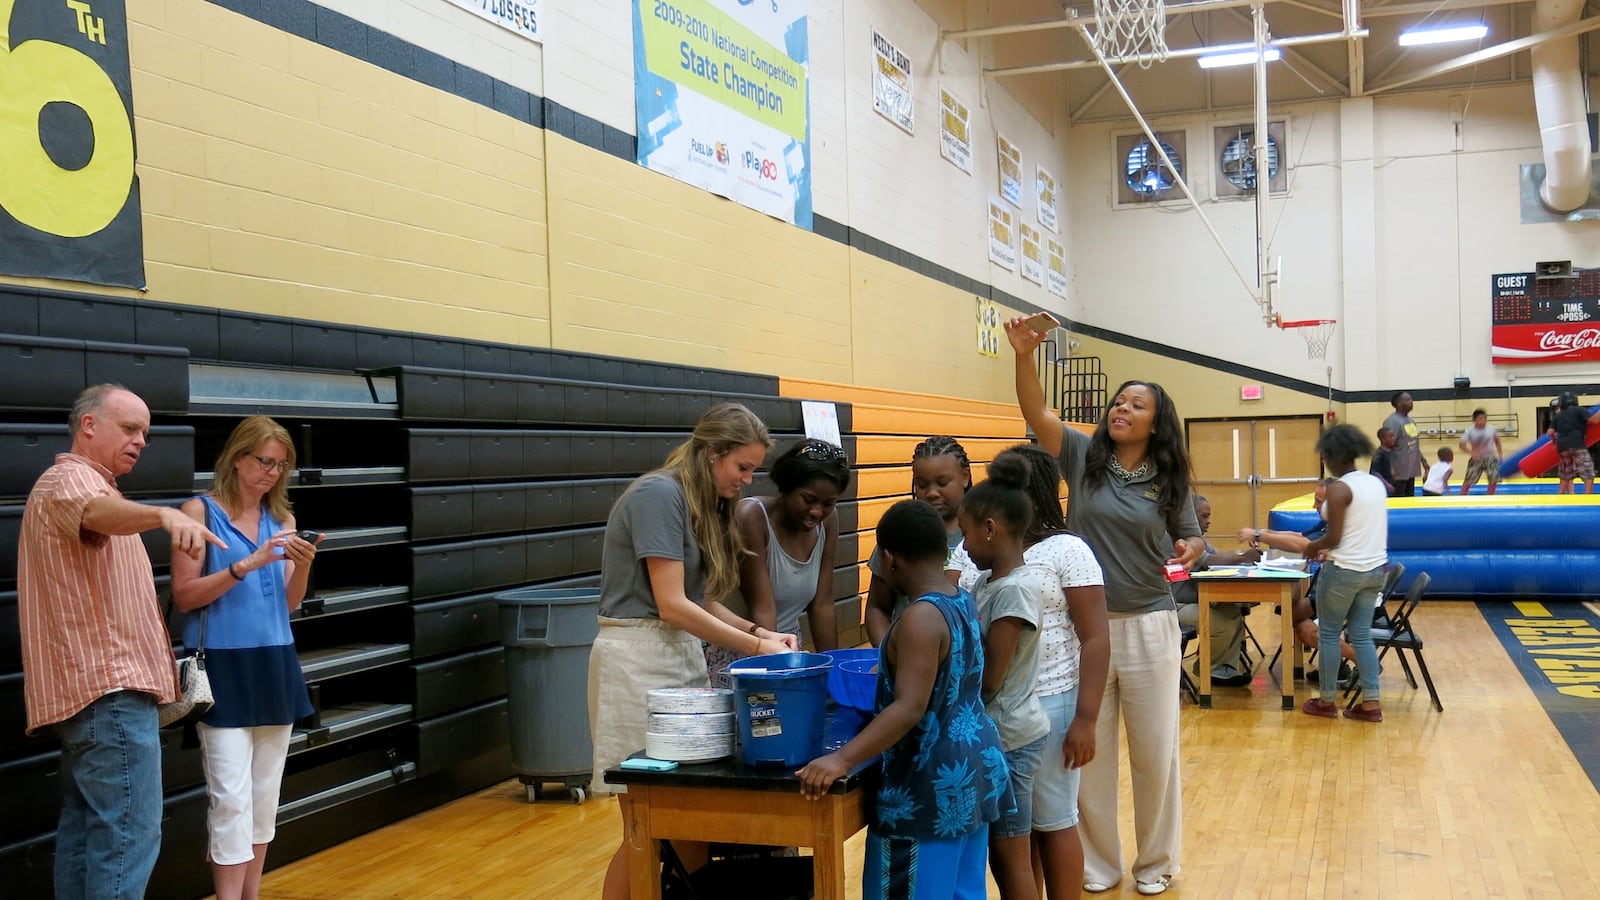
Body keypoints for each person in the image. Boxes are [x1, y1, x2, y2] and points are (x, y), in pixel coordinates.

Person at [1005, 318, 1204, 897]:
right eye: (1119, 401)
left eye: (1136, 404)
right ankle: (1098, 863)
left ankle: (1156, 862)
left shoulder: (1170, 477)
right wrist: (1023, 356)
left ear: (1155, 421)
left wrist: (1190, 549)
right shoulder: (1082, 454)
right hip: (1080, 628)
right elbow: (1037, 412)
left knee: (1154, 753)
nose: (1122, 408)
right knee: (1085, 751)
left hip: (1149, 624)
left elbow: (1191, 539)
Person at [17, 384, 223, 900]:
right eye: (129, 429)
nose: (140, 442)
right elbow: (96, 513)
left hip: (98, 703)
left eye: (145, 434)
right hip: (108, 699)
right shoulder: (69, 480)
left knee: (91, 839)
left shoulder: (92, 488)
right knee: (127, 837)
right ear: (89, 427)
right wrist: (163, 515)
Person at [588, 403, 798, 900]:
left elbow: (701, 601)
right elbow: (671, 605)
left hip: (678, 655)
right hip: (636, 657)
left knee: (688, 823)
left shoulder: (697, 501)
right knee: (645, 826)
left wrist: (760, 634)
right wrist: (754, 646)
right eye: (742, 467)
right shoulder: (659, 494)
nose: (747, 480)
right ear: (710, 453)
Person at [796, 499, 1010, 900]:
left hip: (926, 788)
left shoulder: (920, 617)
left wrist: (841, 759)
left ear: (889, 559)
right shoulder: (960, 600)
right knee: (962, 891)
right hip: (972, 773)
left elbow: (909, 707)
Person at [169, 416, 319, 900]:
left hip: (275, 663)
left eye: (281, 465)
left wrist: (302, 566)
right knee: (230, 799)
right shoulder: (199, 512)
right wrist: (245, 565)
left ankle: (250, 895)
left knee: (263, 799)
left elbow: (290, 604)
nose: (271, 473)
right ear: (237, 458)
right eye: (264, 461)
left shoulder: (284, 521)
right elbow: (186, 596)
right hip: (222, 667)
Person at [955, 444, 1109, 900]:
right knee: (1015, 830)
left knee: (1054, 820)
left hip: (1052, 701)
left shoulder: (1067, 549)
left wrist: (1086, 718)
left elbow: (1096, 637)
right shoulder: (977, 553)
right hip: (993, 709)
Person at [957, 456, 1050, 900]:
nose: (963, 542)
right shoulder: (988, 583)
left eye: (966, 531)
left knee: (1011, 861)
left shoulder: (1015, 589)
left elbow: (992, 677)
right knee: (1003, 856)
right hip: (1000, 734)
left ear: (990, 529)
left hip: (1011, 739)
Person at [730, 438, 850, 662]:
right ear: (787, 487)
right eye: (808, 499)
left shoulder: (828, 521)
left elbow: (822, 604)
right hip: (745, 648)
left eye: (827, 503)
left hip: (786, 645)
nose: (816, 512)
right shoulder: (751, 517)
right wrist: (779, 670)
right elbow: (763, 607)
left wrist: (832, 669)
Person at [1300, 425, 1389, 723]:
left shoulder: (1339, 488)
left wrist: (1313, 546)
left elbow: (1334, 537)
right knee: (1362, 635)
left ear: (1333, 455)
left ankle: (1326, 701)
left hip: (1343, 571)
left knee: (1327, 633)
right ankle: (1370, 704)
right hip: (1375, 571)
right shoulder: (1374, 483)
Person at [864, 436, 973, 645]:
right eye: (921, 484)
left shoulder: (981, 533)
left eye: (942, 483)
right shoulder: (900, 529)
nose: (931, 493)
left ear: (965, 477)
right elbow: (877, 607)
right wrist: (889, 655)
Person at [1173, 494, 1260, 687]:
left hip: (1193, 600)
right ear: (1189, 516)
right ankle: (1208, 667)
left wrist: (1241, 556)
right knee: (1221, 622)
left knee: (1232, 612)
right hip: (1175, 605)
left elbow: (1219, 554)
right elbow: (1208, 560)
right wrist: (1242, 558)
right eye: (1204, 516)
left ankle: (1224, 668)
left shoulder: (1198, 541)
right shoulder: (1176, 539)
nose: (1208, 521)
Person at [1548, 392, 1600, 495]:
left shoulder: (1559, 415)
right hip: (1577, 444)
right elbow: (1594, 420)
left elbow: (1550, 432)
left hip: (1562, 447)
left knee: (1566, 474)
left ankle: (1560, 495)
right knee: (1588, 472)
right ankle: (1587, 497)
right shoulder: (1579, 410)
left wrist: (1554, 440)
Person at [1382, 392, 1423, 498]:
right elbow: (1386, 446)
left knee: (1409, 501)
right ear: (1399, 403)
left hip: (1410, 471)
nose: (1411, 402)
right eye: (1408, 400)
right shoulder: (1392, 421)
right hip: (1398, 473)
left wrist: (1424, 463)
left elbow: (1414, 443)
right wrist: (1391, 468)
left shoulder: (1411, 421)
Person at [1458, 408, 1503, 495]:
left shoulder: (1492, 429)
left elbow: (1497, 441)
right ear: (1474, 420)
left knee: (1493, 480)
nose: (1483, 421)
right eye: (1480, 419)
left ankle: (1490, 497)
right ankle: (1462, 497)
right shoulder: (1470, 431)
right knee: (1468, 480)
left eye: (1484, 418)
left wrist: (1500, 455)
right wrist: (1472, 453)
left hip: (1490, 457)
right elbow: (1461, 445)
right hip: (1477, 458)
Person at [1369, 428, 1398, 497]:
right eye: (1390, 437)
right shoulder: (1379, 453)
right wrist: (1387, 484)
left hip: (1393, 484)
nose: (1393, 438)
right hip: (1384, 486)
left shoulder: (1391, 451)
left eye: (1393, 436)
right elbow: (1374, 472)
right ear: (1383, 439)